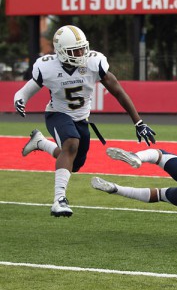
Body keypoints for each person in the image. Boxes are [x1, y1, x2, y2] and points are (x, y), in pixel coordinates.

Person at [13, 25, 156, 218]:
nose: (81, 53)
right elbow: (27, 89)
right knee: (71, 143)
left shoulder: (93, 62)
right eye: (75, 50)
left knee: (74, 162)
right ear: (61, 52)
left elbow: (118, 92)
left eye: (82, 48)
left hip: (82, 119)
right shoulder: (47, 67)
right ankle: (59, 200)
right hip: (57, 113)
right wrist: (20, 98)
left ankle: (40, 143)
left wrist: (138, 122)